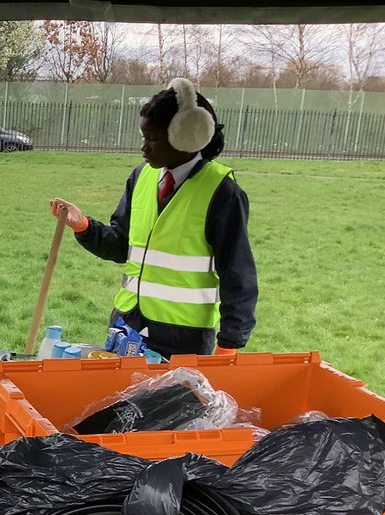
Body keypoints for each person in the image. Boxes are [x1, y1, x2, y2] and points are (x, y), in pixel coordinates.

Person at [50, 78, 258, 359]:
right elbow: (122, 245)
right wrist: (84, 226)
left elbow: (238, 276)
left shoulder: (223, 193)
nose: (144, 147)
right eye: (143, 137)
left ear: (186, 139)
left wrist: (229, 345)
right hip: (126, 327)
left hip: (183, 338)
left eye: (153, 138)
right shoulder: (141, 176)